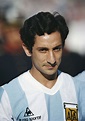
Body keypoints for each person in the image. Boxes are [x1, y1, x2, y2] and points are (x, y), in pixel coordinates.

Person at [0, 11, 85, 121]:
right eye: (43, 50)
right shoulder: (7, 96)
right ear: (27, 49)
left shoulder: (79, 89)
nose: (52, 59)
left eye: (56, 49)